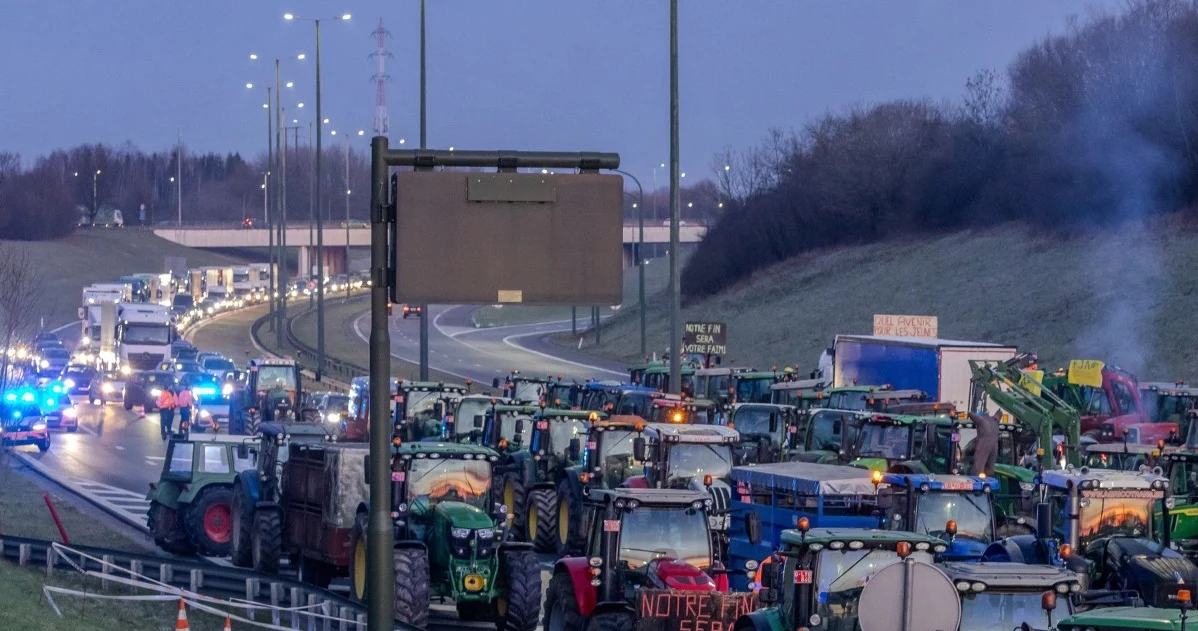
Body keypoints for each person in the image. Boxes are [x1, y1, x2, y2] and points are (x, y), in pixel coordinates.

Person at [970, 410, 1000, 477]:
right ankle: (988, 477)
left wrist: (968, 412)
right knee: (990, 466)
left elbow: (971, 414)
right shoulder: (995, 422)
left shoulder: (981, 420)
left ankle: (977, 478)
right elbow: (999, 415)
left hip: (983, 446)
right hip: (994, 448)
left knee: (978, 465)